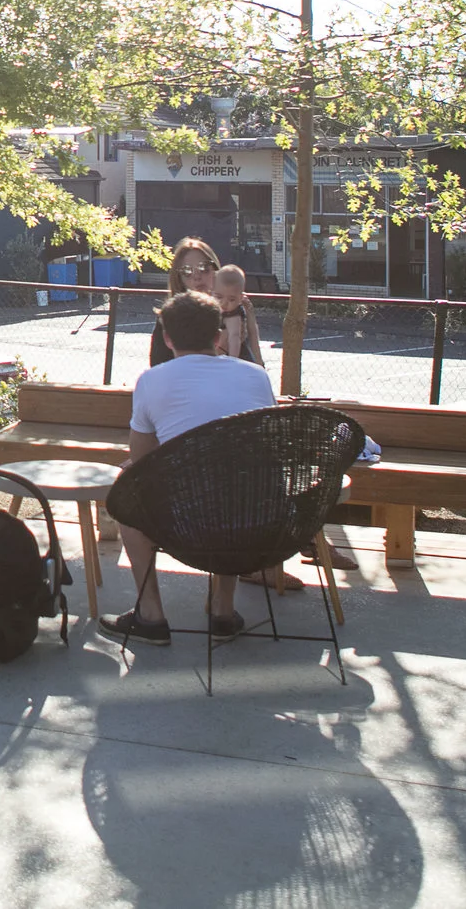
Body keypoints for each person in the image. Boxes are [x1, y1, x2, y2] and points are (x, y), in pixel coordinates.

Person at [101, 289, 280, 645]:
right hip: (258, 524)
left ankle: (151, 616)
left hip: (185, 525)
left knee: (127, 486)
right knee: (234, 481)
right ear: (218, 336)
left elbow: (141, 457)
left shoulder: (152, 380)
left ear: (167, 339)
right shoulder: (256, 376)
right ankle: (223, 611)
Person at [146, 238, 220, 367]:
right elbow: (158, 368)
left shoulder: (235, 311)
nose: (197, 276)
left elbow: (254, 366)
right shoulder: (168, 319)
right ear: (179, 279)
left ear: (216, 270)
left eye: (203, 267)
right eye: (187, 271)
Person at [214, 264, 263, 367]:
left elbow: (234, 337)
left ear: (240, 298)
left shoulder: (233, 315)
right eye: (219, 297)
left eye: (231, 299)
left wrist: (232, 360)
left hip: (238, 358)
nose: (224, 303)